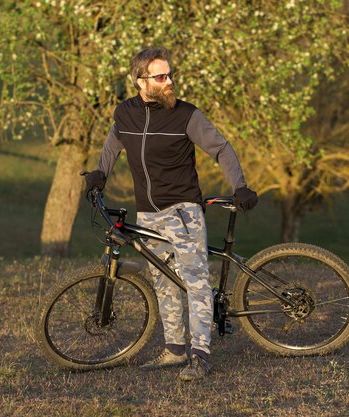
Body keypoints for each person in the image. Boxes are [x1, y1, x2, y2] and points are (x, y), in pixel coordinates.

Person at [85, 47, 258, 381]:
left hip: (182, 211)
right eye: (161, 76)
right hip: (148, 213)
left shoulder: (186, 115)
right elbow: (112, 145)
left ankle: (201, 356)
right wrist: (99, 175)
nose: (169, 82)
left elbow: (220, 148)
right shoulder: (126, 114)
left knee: (195, 282)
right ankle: (175, 350)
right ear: (139, 81)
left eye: (170, 75)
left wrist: (241, 186)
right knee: (163, 282)